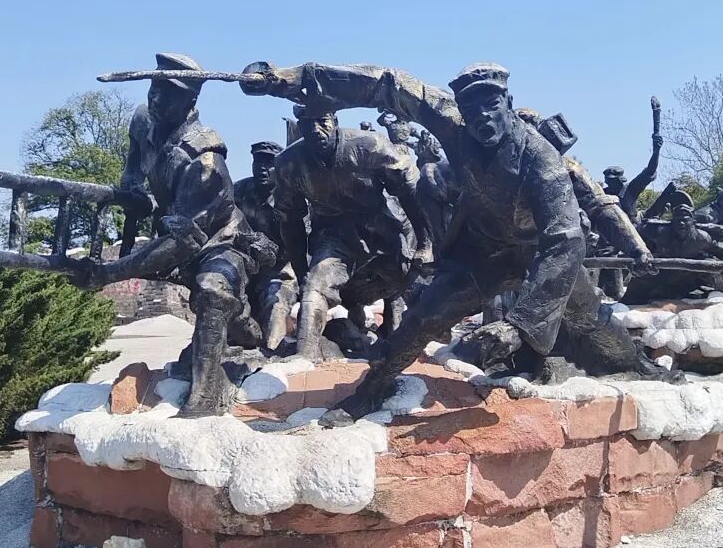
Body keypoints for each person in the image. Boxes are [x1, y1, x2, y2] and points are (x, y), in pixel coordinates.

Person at [242, 59, 590, 415]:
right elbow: (390, 86)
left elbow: (565, 240)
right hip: (485, 253)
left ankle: (586, 360)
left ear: (509, 102)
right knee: (422, 319)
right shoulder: (455, 127)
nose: (482, 116)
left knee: (597, 335)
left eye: (492, 104)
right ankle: (372, 389)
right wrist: (292, 80)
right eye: (471, 108)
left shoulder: (539, 158)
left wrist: (519, 325)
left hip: (538, 255)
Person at [80, 53, 270, 415]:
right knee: (232, 316)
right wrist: (132, 185)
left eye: (168, 94)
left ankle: (206, 397)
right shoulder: (143, 120)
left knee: (213, 289)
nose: (156, 99)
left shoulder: (204, 160)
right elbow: (134, 164)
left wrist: (108, 273)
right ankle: (235, 331)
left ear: (190, 101)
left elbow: (181, 244)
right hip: (178, 230)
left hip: (220, 242)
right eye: (154, 88)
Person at [271, 93, 433, 363]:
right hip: (333, 233)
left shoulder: (369, 145)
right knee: (316, 285)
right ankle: (304, 357)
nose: (315, 129)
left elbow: (409, 191)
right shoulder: (289, 163)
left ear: (334, 121)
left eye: (322, 121)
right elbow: (290, 220)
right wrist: (302, 272)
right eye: (307, 123)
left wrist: (425, 244)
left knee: (405, 280)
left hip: (383, 228)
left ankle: (409, 333)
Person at [233, 140, 298, 351]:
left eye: (268, 163)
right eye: (257, 162)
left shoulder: (292, 196)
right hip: (245, 266)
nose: (262, 168)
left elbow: (301, 242)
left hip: (280, 270)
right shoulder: (239, 191)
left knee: (275, 300)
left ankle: (271, 354)